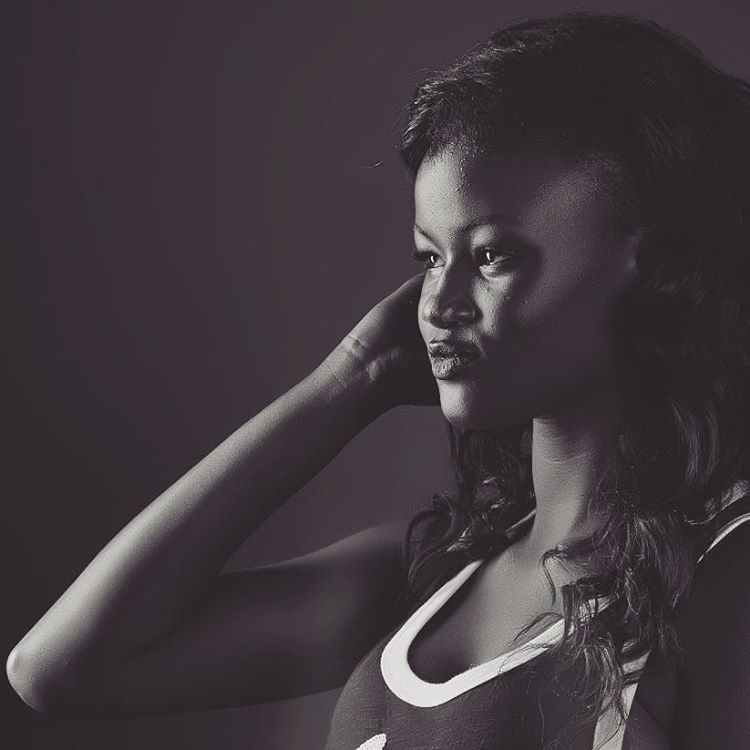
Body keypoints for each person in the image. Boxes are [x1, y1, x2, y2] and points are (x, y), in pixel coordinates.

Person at [6, 9, 750, 749]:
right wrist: (354, 373)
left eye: (491, 255)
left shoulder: (721, 580)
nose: (439, 303)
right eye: (430, 258)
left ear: (651, 263)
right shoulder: (431, 573)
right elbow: (60, 668)